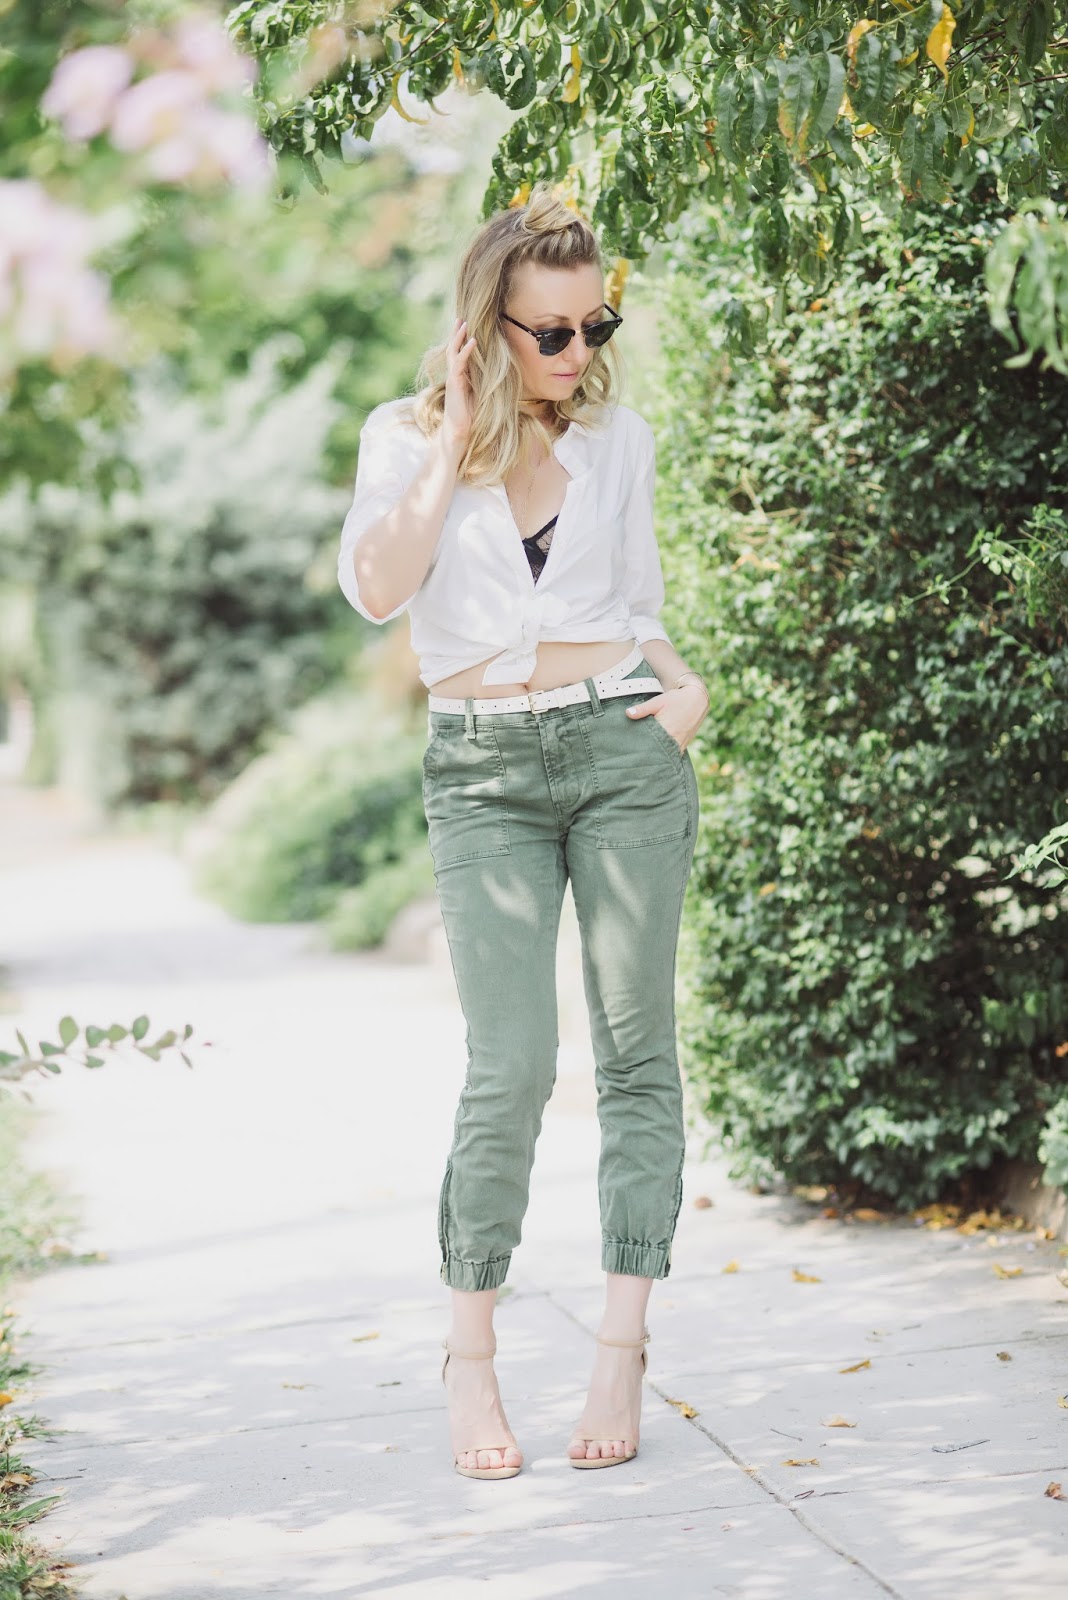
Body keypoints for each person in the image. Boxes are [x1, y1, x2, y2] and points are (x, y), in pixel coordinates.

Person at [337, 183, 710, 1481]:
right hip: (484, 768)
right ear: (483, 326)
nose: (573, 356)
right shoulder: (404, 440)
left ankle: (621, 1346)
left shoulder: (623, 443)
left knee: (636, 1058)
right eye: (546, 332)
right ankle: (472, 1356)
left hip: (622, 750)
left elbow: (635, 597)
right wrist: (450, 447)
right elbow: (382, 590)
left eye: (591, 328)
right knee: (510, 1066)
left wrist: (684, 689)